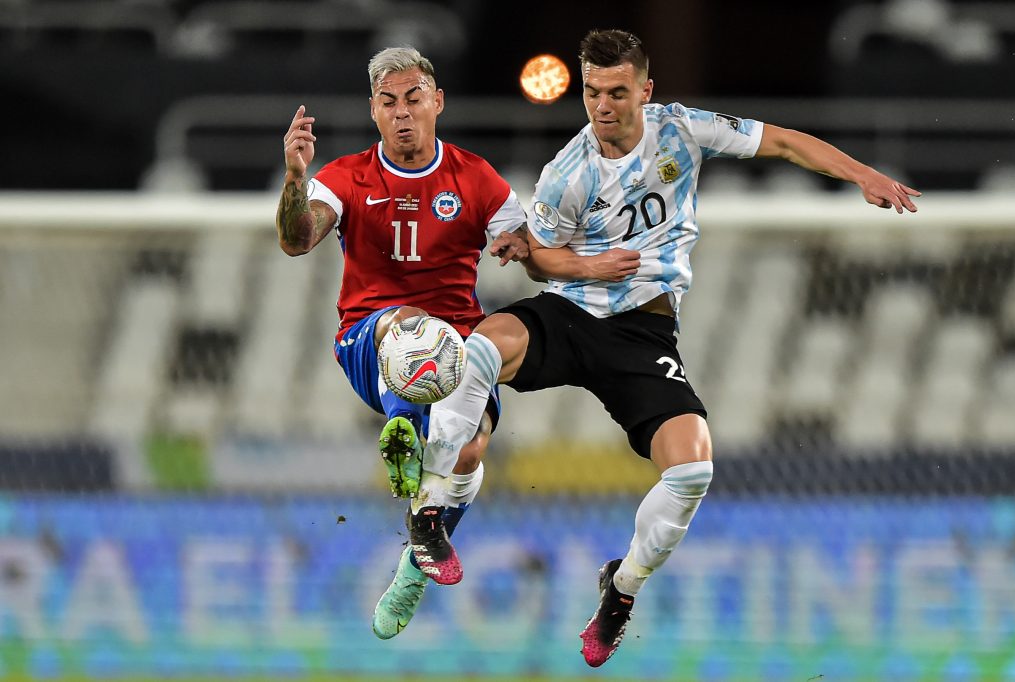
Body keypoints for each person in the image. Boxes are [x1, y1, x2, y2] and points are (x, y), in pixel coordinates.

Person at [398, 29, 921, 666]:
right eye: (592, 92)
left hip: (643, 334)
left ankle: (621, 590)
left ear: (645, 90)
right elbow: (538, 265)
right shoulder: (568, 171)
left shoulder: (684, 130)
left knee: (693, 469)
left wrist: (862, 175)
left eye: (617, 92)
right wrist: (578, 267)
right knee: (479, 346)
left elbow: (782, 141)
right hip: (571, 312)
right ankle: (428, 513)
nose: (603, 106)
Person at [274, 46, 532, 640]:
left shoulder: (476, 178)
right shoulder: (344, 178)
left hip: (462, 343)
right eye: (389, 103)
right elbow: (295, 241)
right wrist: (294, 178)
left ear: (437, 102)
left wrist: (531, 249)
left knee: (469, 454)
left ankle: (414, 563)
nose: (403, 112)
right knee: (409, 322)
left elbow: (527, 249)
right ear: (374, 112)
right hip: (369, 337)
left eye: (414, 98)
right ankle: (404, 429)